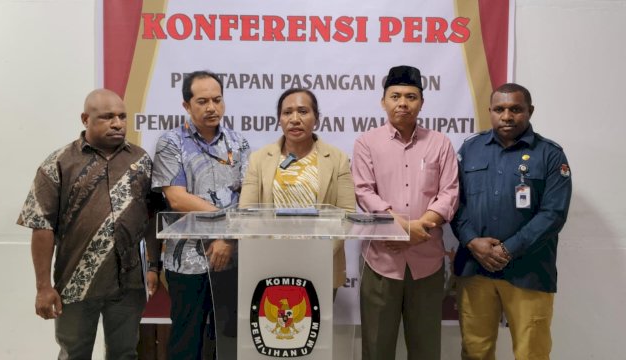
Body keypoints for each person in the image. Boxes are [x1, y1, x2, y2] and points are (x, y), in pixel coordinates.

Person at [17, 89, 159, 359]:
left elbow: (150, 218)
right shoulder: (59, 163)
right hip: (76, 283)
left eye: (122, 117)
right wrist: (43, 287)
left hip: (129, 285)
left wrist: (153, 265)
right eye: (107, 117)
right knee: (74, 353)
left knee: (125, 353)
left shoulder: (140, 161)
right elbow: (41, 226)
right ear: (85, 119)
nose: (117, 123)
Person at [451, 83, 572, 360]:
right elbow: (454, 203)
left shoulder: (550, 155)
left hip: (529, 271)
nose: (507, 116)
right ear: (490, 111)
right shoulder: (470, 150)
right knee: (475, 351)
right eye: (500, 109)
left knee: (531, 352)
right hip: (475, 269)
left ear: (530, 111)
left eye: (516, 109)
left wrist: (507, 250)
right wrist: (472, 241)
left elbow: (553, 214)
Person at [352, 65, 459, 360]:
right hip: (381, 260)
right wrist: (401, 227)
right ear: (383, 101)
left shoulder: (440, 143)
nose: (403, 103)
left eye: (411, 97)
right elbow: (363, 191)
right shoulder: (366, 143)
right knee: (376, 348)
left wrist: (419, 228)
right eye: (395, 96)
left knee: (426, 348)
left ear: (421, 102)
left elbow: (449, 191)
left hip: (427, 260)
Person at [149, 70, 250, 359]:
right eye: (202, 101)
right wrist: (224, 223)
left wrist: (227, 240)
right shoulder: (171, 142)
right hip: (187, 260)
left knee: (229, 339)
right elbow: (177, 199)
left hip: (229, 256)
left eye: (217, 100)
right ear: (186, 105)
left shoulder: (238, 143)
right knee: (186, 339)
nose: (211, 108)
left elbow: (247, 197)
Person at [239, 88, 355, 291]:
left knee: (314, 322)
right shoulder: (259, 159)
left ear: (316, 118)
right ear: (279, 119)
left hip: (321, 261)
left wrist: (321, 251)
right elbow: (247, 212)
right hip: (270, 264)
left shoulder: (337, 159)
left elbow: (346, 213)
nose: (294, 119)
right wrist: (266, 253)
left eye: (303, 111)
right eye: (287, 112)